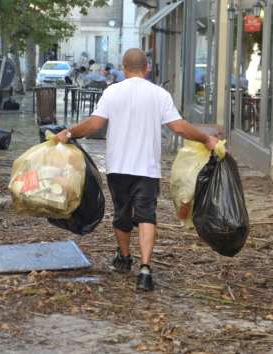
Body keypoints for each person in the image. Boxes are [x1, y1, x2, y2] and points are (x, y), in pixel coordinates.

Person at [56, 48, 220, 292]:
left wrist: (69, 133)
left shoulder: (112, 91)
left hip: (118, 166)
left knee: (122, 214)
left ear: (123, 68)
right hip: (147, 168)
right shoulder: (159, 94)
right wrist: (205, 139)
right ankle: (145, 268)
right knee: (146, 215)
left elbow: (95, 124)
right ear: (147, 68)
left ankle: (124, 258)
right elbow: (179, 127)